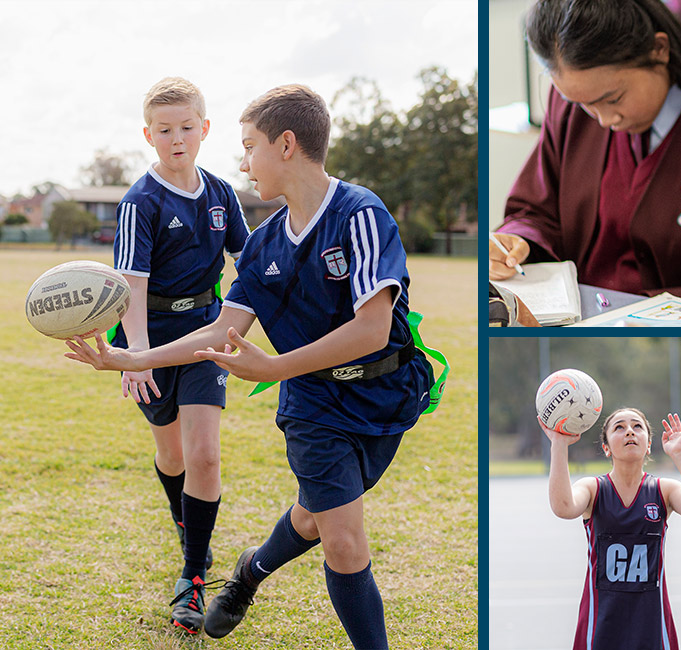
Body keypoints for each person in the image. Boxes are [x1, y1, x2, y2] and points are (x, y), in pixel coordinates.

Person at [67, 84, 435, 649]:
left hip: (386, 395)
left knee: (315, 519)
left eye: (249, 146)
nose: (243, 161)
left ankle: (250, 572)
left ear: (286, 145)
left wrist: (275, 366)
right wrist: (131, 357)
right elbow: (220, 332)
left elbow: (373, 328)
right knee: (343, 540)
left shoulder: (360, 213)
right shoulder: (263, 244)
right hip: (314, 407)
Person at [491, 0, 681, 306]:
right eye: (583, 104)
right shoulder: (570, 109)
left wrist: (641, 308)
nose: (604, 120)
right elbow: (534, 213)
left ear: (659, 50)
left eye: (614, 98)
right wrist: (519, 242)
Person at [111, 76, 249, 634]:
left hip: (207, 333)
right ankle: (183, 518)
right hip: (148, 337)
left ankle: (192, 577)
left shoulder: (221, 194)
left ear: (204, 129)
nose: (177, 138)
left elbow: (250, 260)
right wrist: (139, 354)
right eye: (165, 130)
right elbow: (130, 285)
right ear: (149, 134)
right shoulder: (139, 202)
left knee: (206, 456)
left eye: (187, 127)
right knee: (172, 457)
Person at [544, 408, 681, 649]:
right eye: (619, 428)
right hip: (601, 620)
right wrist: (559, 445)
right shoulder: (594, 488)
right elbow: (563, 507)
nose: (629, 432)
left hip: (651, 622)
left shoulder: (662, 490)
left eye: (637, 426)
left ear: (648, 445)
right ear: (606, 448)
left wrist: (679, 454)